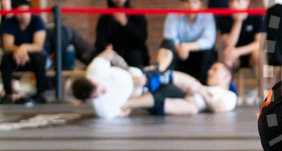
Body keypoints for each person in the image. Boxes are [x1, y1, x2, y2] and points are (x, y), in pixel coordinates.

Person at [73, 48, 237, 118]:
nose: (209, 71)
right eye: (98, 95)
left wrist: (201, 92)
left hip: (149, 82)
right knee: (183, 89)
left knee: (192, 107)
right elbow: (123, 111)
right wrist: (199, 90)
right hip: (144, 94)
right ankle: (160, 66)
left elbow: (217, 108)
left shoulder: (229, 96)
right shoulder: (103, 109)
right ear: (89, 100)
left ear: (227, 75)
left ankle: (160, 67)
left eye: (215, 69)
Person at [159, 0, 217, 80]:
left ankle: (202, 87)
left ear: (200, 3)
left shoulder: (207, 17)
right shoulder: (173, 16)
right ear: (182, 3)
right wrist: (180, 48)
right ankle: (167, 82)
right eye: (187, 1)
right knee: (166, 45)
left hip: (197, 54)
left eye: (194, 1)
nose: (191, 5)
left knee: (209, 53)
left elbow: (208, 40)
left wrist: (187, 47)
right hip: (178, 53)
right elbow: (170, 38)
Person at [1, 0, 47, 104]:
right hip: (16, 57)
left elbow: (38, 46)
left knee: (39, 58)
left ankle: (41, 94)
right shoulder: (9, 23)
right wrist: (20, 51)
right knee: (6, 58)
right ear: (16, 12)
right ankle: (8, 93)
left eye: (26, 11)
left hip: (32, 57)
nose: (24, 15)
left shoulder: (37, 21)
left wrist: (24, 47)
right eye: (20, 12)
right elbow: (8, 46)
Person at [94, 0, 149, 68]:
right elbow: (100, 39)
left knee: (135, 55)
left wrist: (126, 24)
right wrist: (105, 46)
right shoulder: (104, 18)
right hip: (113, 53)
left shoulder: (137, 15)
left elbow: (141, 38)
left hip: (134, 55)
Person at [222, 0, 264, 70]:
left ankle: (264, 83)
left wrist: (238, 51)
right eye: (231, 1)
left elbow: (259, 43)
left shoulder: (257, 16)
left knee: (260, 53)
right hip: (234, 56)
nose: (234, 4)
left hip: (250, 53)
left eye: (238, 0)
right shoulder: (225, 18)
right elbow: (229, 43)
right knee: (227, 54)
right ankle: (228, 82)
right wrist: (238, 21)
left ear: (246, 2)